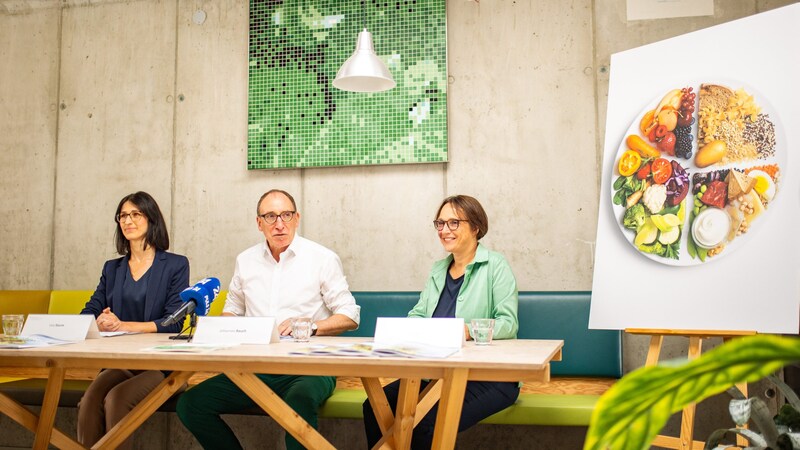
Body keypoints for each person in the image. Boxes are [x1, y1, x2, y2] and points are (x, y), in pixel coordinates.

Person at [176, 189, 360, 450]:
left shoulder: (322, 258)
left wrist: (312, 325)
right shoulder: (245, 260)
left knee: (299, 400)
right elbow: (232, 310)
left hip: (309, 367)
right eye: (270, 216)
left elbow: (350, 315)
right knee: (191, 404)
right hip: (254, 366)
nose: (279, 224)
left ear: (297, 218)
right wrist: (223, 329)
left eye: (286, 215)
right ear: (258, 223)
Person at [362, 194, 519, 449]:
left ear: (476, 227)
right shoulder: (438, 270)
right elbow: (418, 314)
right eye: (440, 223)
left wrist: (466, 331)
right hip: (433, 376)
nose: (445, 230)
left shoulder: (496, 266)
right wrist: (407, 328)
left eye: (454, 223)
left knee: (426, 425)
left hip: (488, 378)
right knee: (375, 407)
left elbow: (508, 323)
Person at [77, 191, 190, 450]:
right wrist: (100, 321)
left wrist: (123, 325)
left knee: (117, 399)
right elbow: (90, 311)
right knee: (90, 400)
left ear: (151, 219)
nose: (128, 221)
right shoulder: (112, 268)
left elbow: (174, 322)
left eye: (136, 214)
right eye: (123, 216)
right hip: (120, 362)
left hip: (161, 365)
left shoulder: (175, 265)